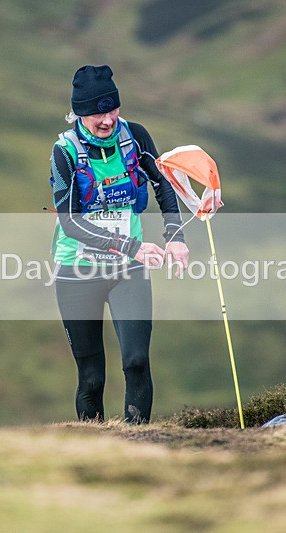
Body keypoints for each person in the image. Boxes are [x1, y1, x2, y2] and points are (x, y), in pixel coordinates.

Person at [50, 64, 189, 424]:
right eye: (98, 111)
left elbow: (164, 187)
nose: (107, 120)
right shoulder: (65, 151)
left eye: (112, 109)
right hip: (77, 269)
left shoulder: (136, 136)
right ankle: (96, 454)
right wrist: (131, 246)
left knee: (136, 361)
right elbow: (70, 223)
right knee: (92, 378)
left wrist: (174, 237)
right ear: (80, 113)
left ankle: (138, 443)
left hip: (128, 269)